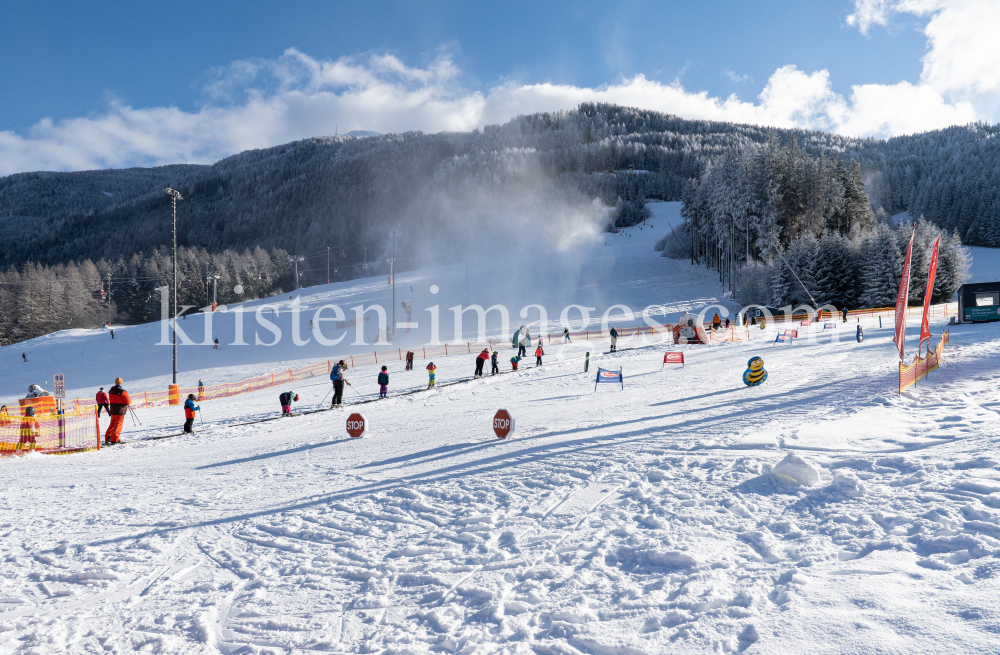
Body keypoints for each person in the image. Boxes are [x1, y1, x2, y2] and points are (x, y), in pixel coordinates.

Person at [106, 378, 131, 444]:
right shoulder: (123, 392)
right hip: (120, 410)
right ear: (121, 383)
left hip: (113, 409)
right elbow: (128, 401)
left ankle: (108, 438)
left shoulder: (111, 390)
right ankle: (115, 439)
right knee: (118, 424)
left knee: (112, 424)